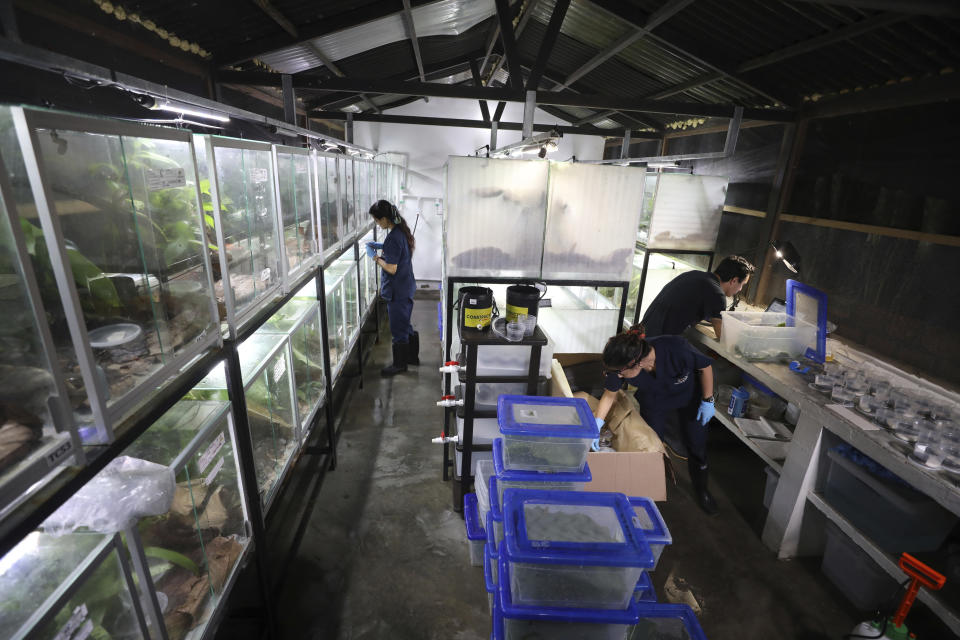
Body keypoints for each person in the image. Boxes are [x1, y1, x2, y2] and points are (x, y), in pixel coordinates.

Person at [594, 325, 719, 514]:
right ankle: (650, 491)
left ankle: (702, 490)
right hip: (654, 400)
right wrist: (596, 424)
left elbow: (704, 366)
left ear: (636, 363)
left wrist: (708, 400)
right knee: (651, 446)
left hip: (689, 398)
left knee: (696, 444)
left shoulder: (676, 348)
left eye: (620, 373)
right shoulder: (622, 365)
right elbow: (609, 395)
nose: (618, 376)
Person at [641, 255, 755, 339]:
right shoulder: (717, 294)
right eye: (742, 285)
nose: (740, 289)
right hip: (656, 343)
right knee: (703, 365)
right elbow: (723, 337)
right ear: (734, 280)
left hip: (645, 331)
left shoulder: (696, 275)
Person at [367, 200, 418, 376]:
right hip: (406, 286)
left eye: (376, 220)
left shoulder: (393, 237)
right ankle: (412, 357)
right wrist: (383, 247)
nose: (376, 223)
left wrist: (375, 257)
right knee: (405, 324)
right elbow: (398, 250)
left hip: (398, 292)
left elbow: (391, 268)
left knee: (398, 329)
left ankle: (400, 365)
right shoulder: (400, 231)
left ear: (384, 219)